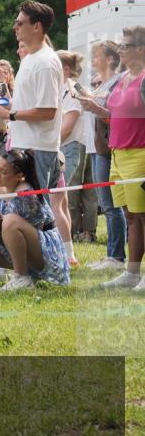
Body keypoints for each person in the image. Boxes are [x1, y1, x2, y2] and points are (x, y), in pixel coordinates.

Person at [0, 2, 72, 266]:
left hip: (38, 148)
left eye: (20, 23)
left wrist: (10, 115)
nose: (15, 27)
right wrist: (7, 107)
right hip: (24, 144)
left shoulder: (47, 62)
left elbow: (48, 111)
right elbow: (29, 105)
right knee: (18, 210)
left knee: (34, 214)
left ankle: (42, 268)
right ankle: (23, 265)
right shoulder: (29, 59)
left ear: (37, 27)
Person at [79, 27, 145, 291]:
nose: (120, 51)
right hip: (118, 153)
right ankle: (131, 272)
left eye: (125, 46)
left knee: (143, 217)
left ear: (141, 49)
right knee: (131, 217)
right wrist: (97, 109)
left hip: (140, 154)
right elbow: (116, 116)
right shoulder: (122, 79)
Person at [0, 150, 70, 291]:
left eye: (4, 172)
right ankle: (8, 271)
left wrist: (0, 221)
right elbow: (9, 233)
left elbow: (33, 230)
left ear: (20, 176)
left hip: (47, 253)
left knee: (10, 221)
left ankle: (22, 277)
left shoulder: (26, 195)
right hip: (19, 240)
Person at [81, 40, 126, 271]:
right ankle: (113, 254)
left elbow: (113, 113)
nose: (93, 60)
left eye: (96, 56)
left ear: (109, 58)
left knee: (111, 205)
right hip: (96, 148)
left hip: (106, 149)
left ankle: (116, 256)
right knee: (108, 205)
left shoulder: (118, 81)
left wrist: (94, 104)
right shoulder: (103, 84)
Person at [58, 51, 92, 251]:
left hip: (70, 147)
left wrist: (49, 145)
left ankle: (65, 247)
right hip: (63, 146)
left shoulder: (71, 89)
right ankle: (65, 244)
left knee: (59, 197)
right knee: (61, 198)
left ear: (66, 69)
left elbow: (68, 125)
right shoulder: (59, 88)